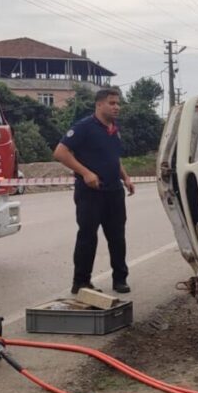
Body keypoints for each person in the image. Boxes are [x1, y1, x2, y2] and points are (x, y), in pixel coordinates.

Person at [53, 88, 136, 294]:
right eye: (112, 103)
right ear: (99, 104)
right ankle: (81, 282)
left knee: (117, 236)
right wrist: (85, 173)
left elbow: (113, 158)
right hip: (90, 193)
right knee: (88, 237)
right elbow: (60, 152)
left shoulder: (114, 129)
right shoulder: (84, 127)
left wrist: (125, 177)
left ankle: (120, 279)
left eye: (118, 103)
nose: (116, 107)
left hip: (114, 192)